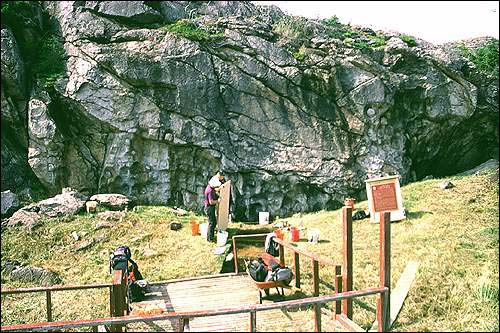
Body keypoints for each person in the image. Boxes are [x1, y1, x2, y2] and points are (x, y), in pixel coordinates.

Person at [204, 174, 221, 242]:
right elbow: (211, 202)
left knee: (213, 222)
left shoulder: (210, 187)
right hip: (209, 208)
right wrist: (218, 201)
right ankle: (209, 239)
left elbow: (216, 189)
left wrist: (221, 188)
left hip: (210, 207)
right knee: (212, 223)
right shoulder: (209, 190)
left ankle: (211, 236)